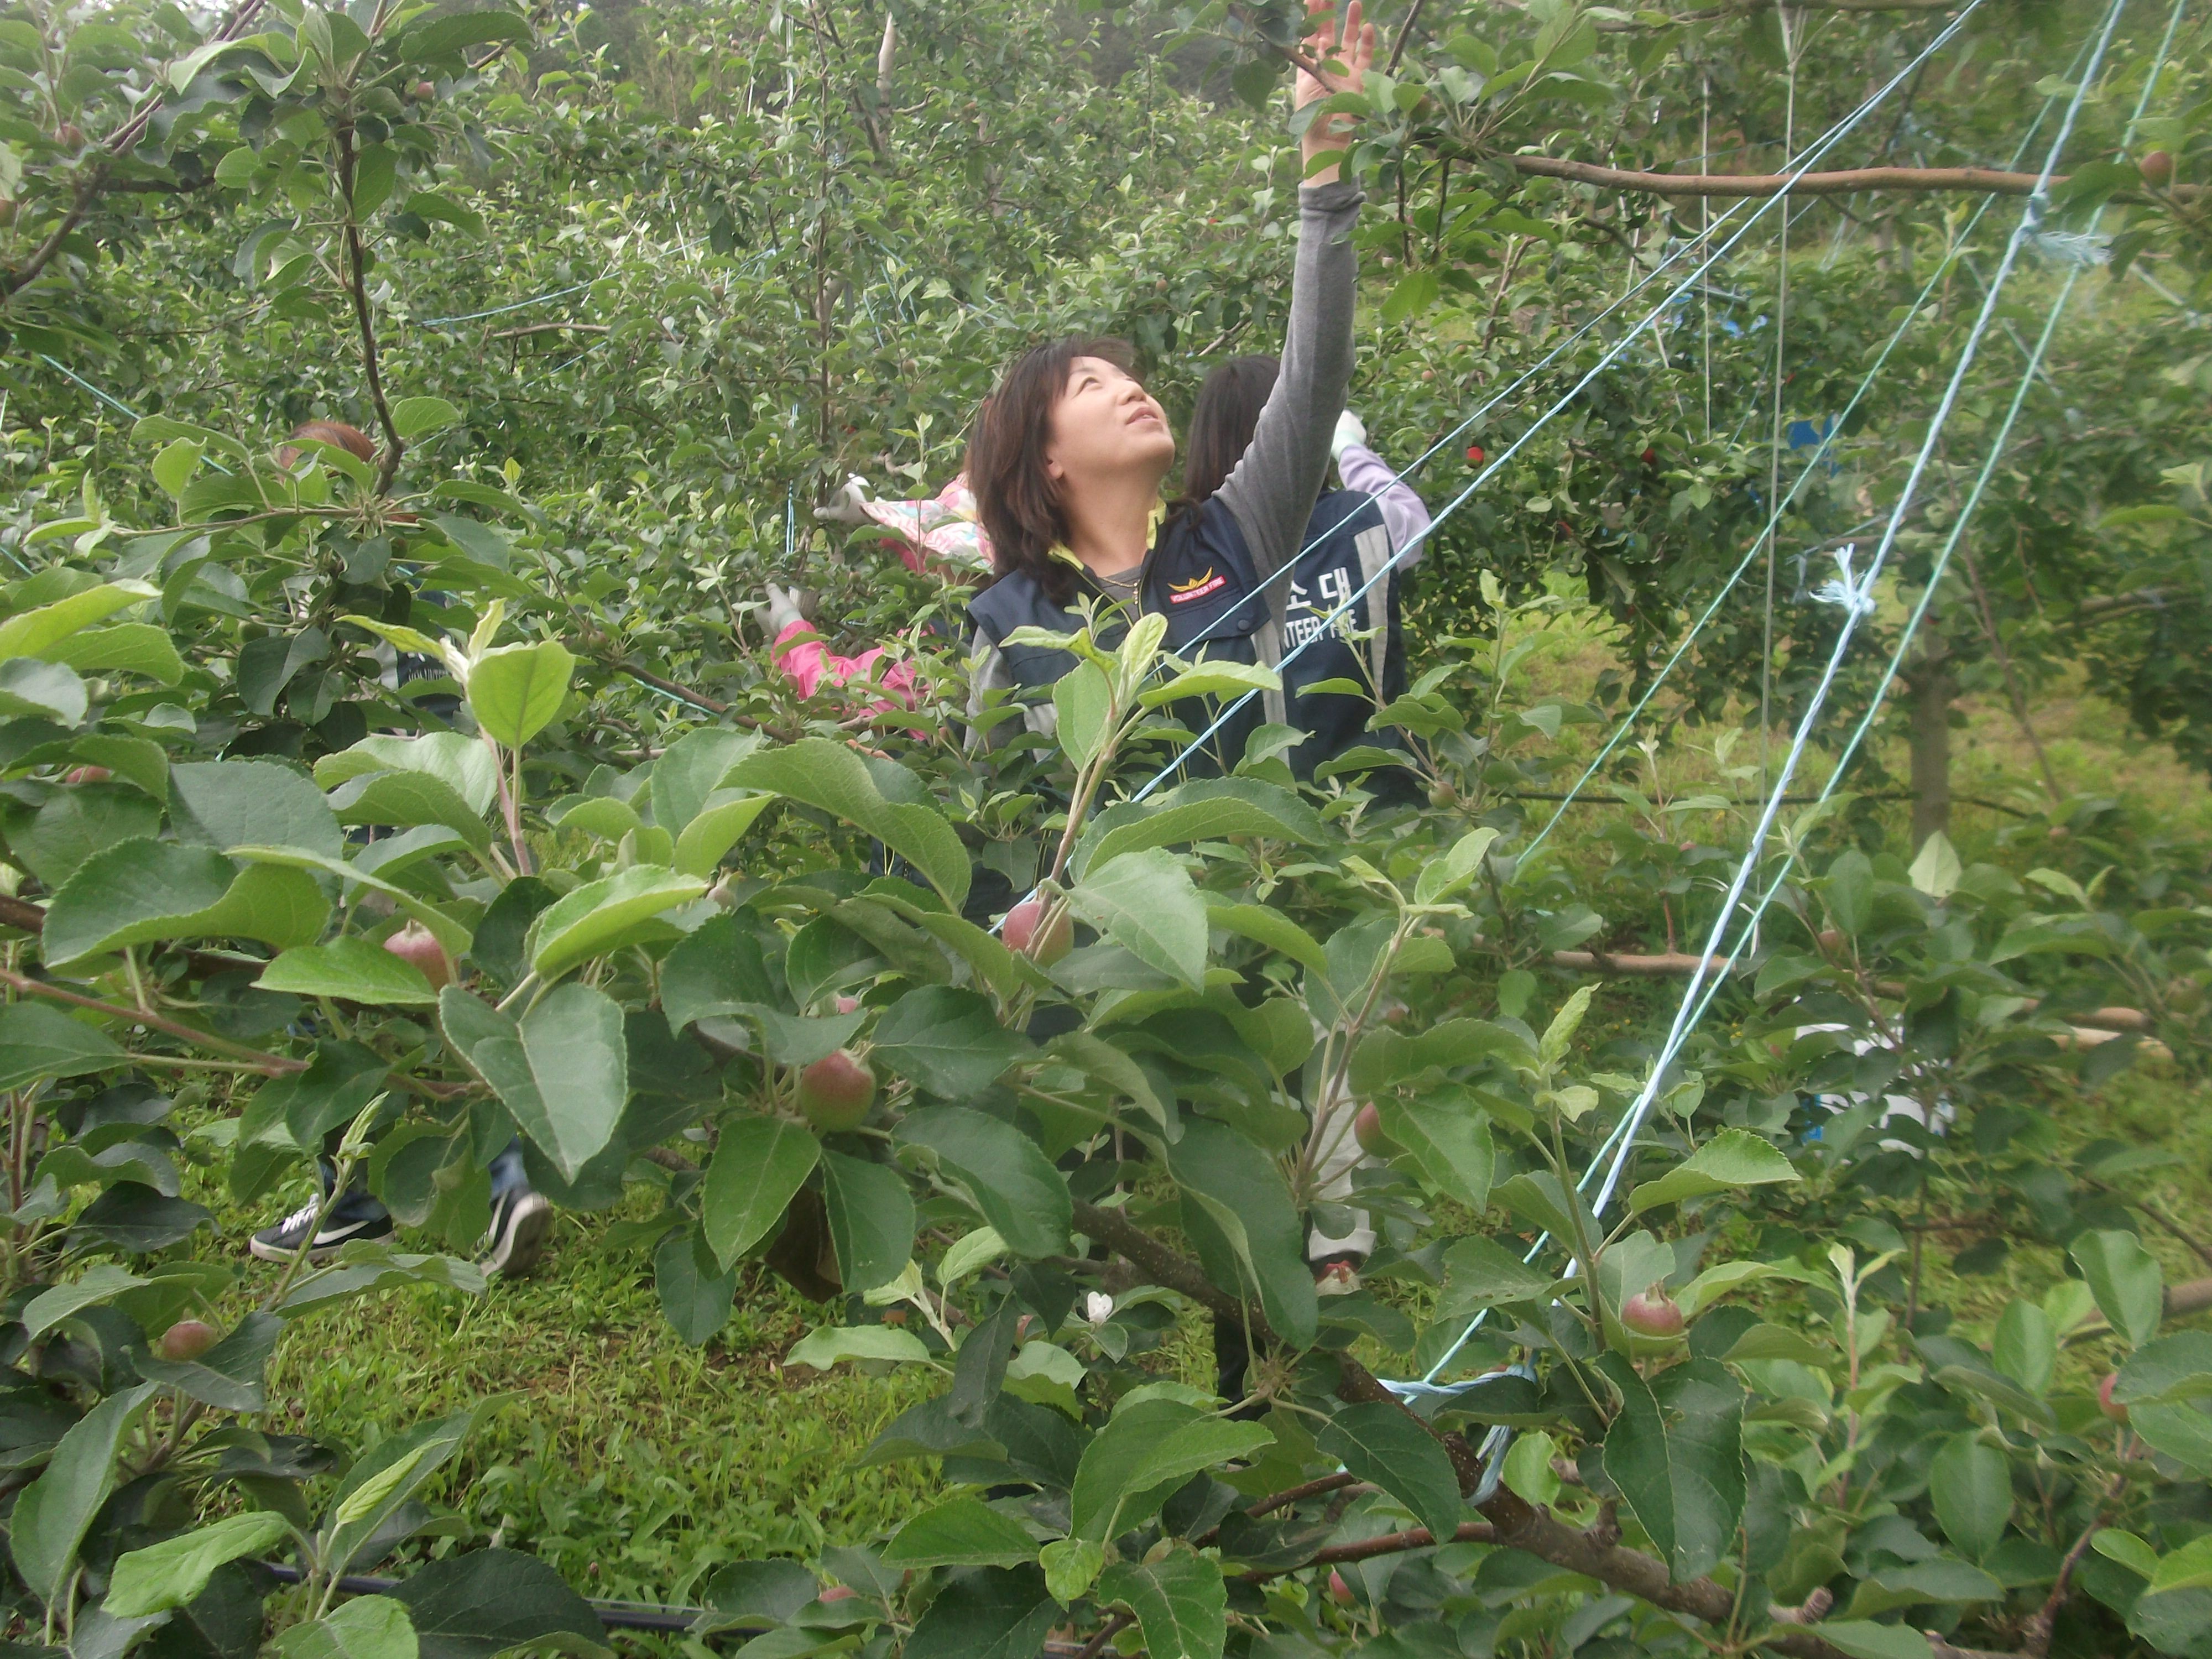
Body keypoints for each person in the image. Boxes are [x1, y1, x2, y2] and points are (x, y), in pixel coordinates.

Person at [962, 0, 1374, 779]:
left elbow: (1315, 379)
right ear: (1045, 457)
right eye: (1091, 385)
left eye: (1129, 378)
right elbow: (998, 819)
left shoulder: (1236, 534)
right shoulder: (1008, 624)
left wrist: (1325, 166)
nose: (1130, 391)